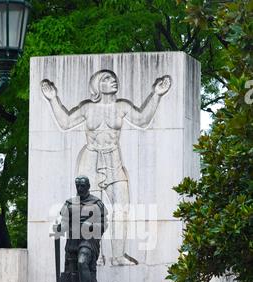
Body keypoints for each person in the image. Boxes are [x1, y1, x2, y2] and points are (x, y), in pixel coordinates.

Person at [41, 70, 171, 266]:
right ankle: (95, 254)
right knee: (92, 210)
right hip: (90, 158)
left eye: (114, 78)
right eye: (107, 79)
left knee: (122, 207)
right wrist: (52, 99)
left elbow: (142, 120)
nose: (113, 81)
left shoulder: (122, 106)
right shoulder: (88, 108)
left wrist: (157, 94)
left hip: (113, 158)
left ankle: (118, 256)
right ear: (97, 86)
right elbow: (65, 123)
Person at [52, 175, 108, 282]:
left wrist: (91, 227)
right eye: (78, 185)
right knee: (72, 271)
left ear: (88, 186)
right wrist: (59, 228)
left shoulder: (96, 203)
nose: (80, 188)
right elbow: (64, 224)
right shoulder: (69, 203)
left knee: (82, 262)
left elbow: (103, 225)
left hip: (89, 240)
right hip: (73, 241)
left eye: (83, 185)